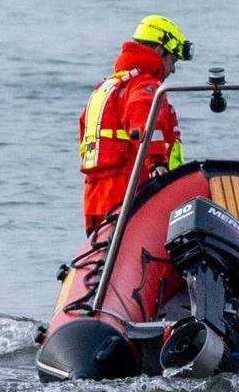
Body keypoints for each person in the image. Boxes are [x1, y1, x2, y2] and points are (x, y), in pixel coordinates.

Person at [78, 15, 191, 232]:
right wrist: (157, 162)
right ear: (159, 50)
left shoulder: (105, 88)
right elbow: (144, 121)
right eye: (173, 60)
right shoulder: (144, 85)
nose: (173, 69)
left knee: (105, 249)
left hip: (95, 197)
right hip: (127, 189)